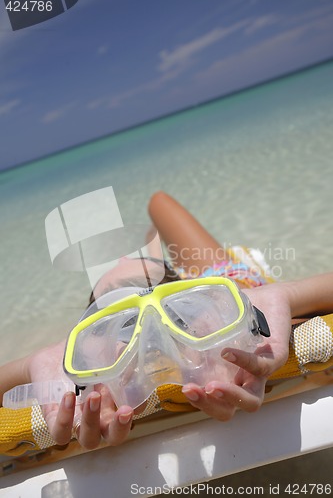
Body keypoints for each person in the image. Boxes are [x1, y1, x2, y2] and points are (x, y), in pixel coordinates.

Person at [1, 191, 333, 452]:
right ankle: (163, 268)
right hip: (229, 283)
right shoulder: (255, 312)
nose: (121, 258)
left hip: (216, 292)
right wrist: (280, 295)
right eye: (122, 313)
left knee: (157, 207)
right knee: (159, 202)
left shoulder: (106, 365)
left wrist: (32, 364)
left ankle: (157, 264)